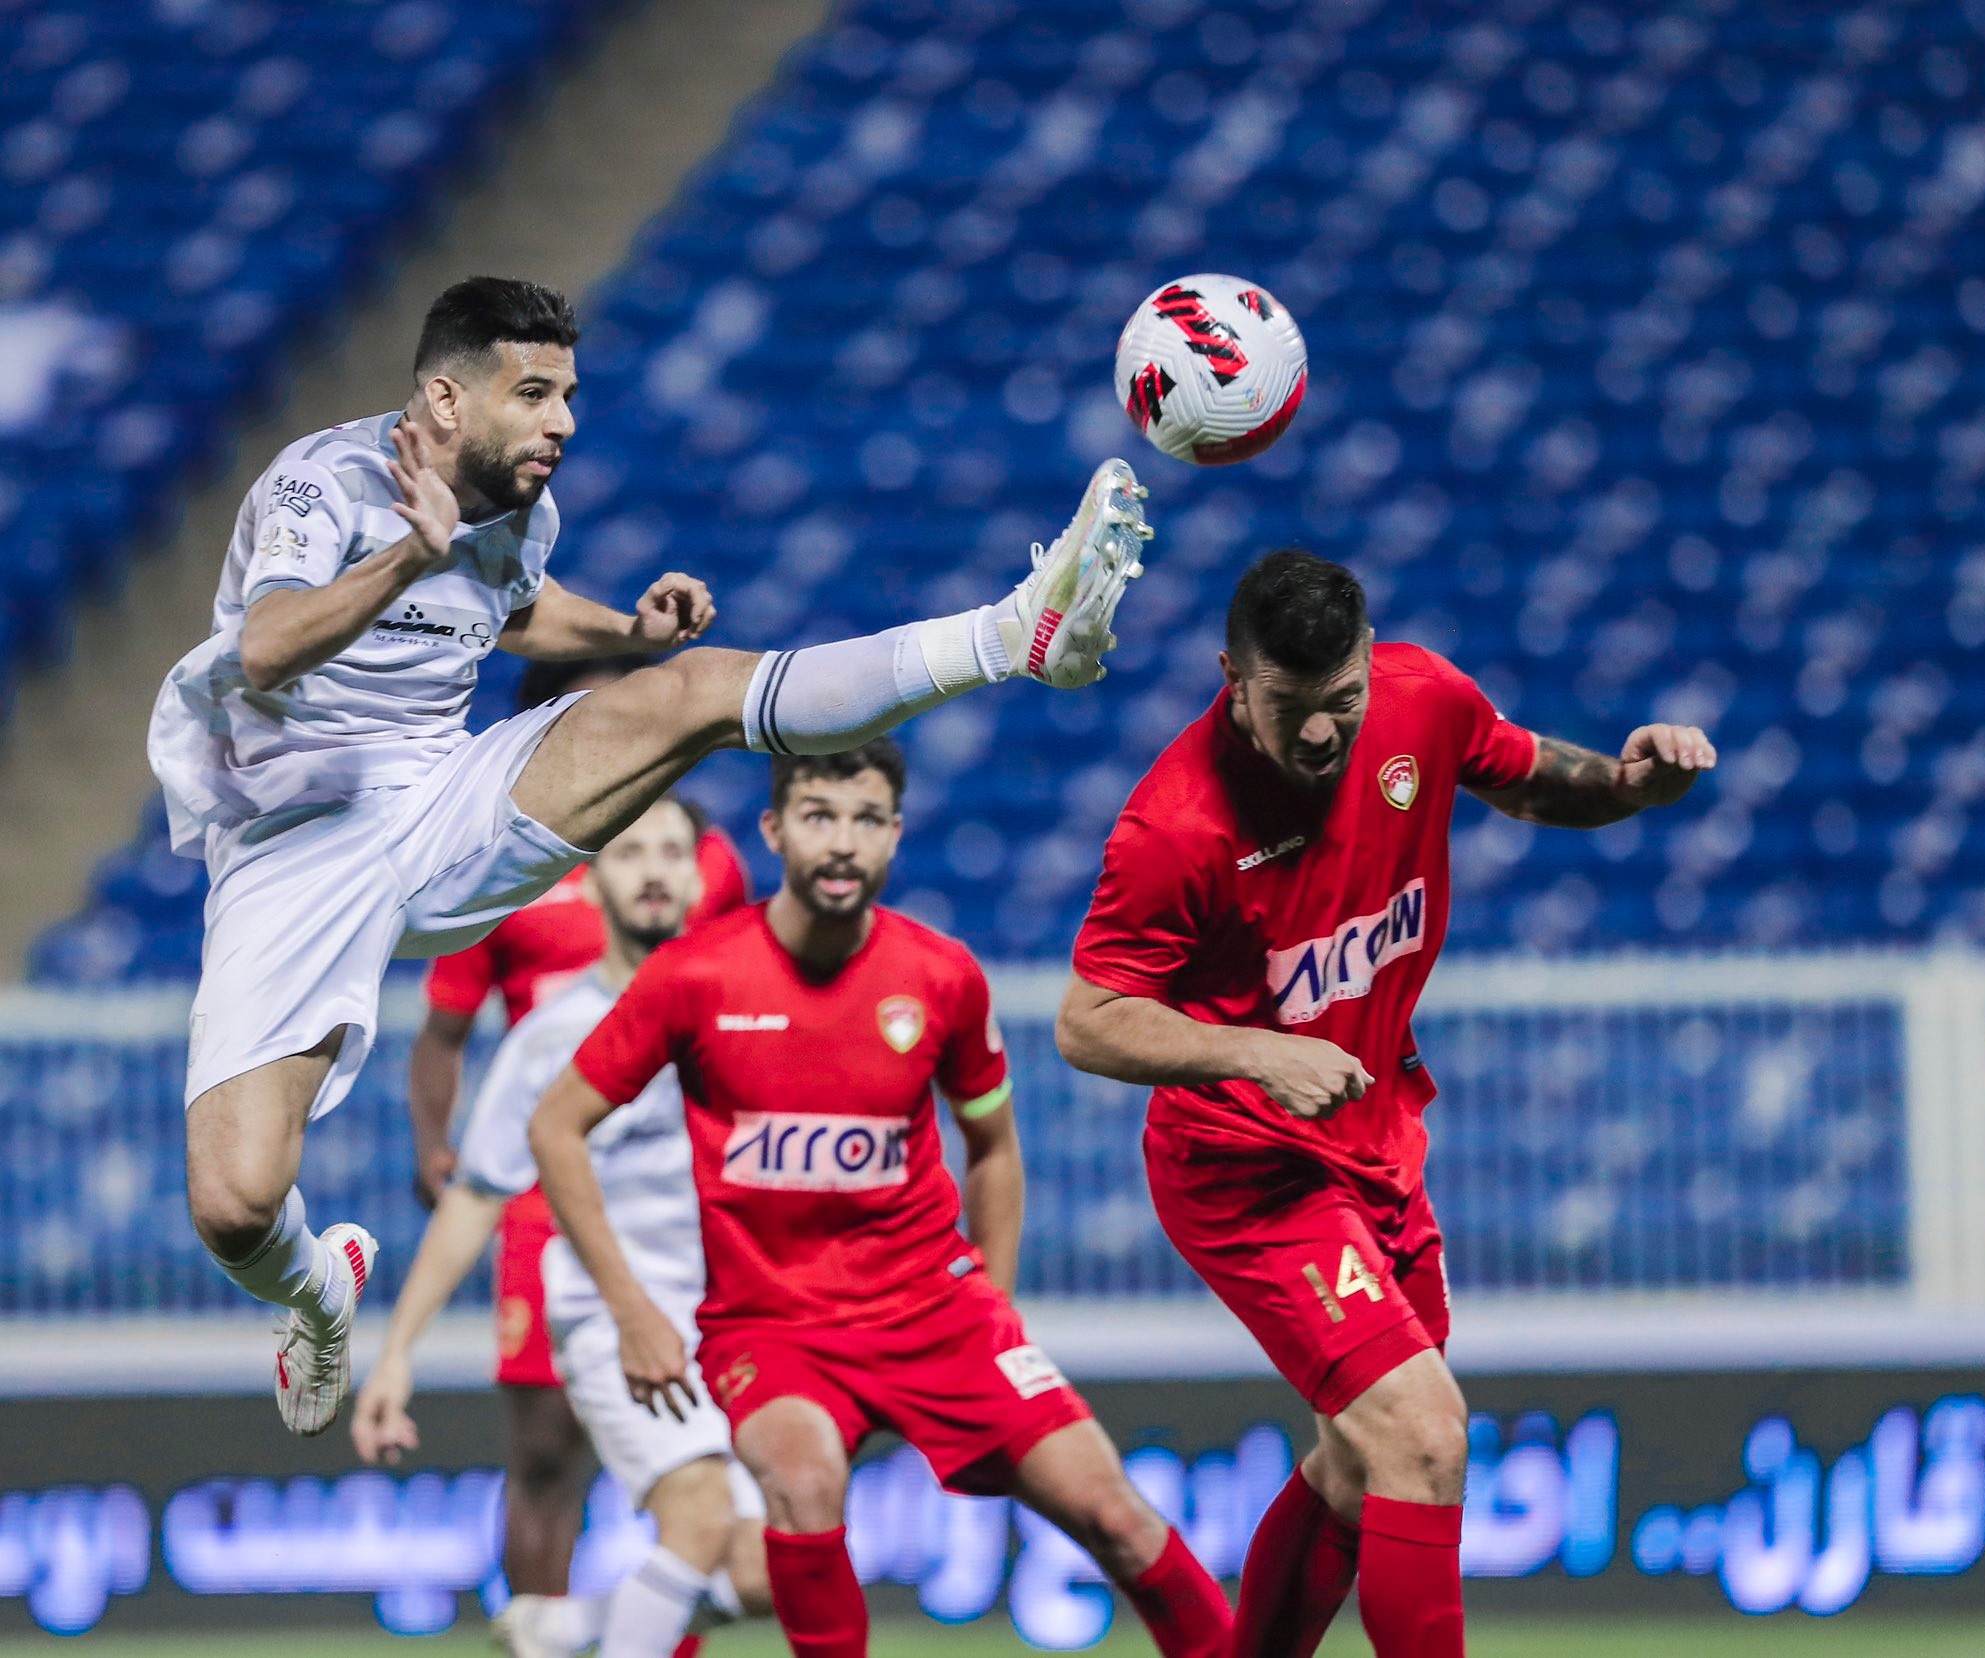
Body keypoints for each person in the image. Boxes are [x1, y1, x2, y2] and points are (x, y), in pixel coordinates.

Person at [147, 273, 1152, 1433]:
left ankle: (1014, 630)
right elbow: (264, 646)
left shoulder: (521, 504)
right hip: (292, 836)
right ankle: (319, 1292)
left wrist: (625, 634)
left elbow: (510, 611)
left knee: (688, 694)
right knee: (233, 1204)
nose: (562, 421)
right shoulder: (321, 483)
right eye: (532, 393)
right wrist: (404, 560)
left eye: (569, 394)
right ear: (441, 397)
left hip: (437, 793)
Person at [1055, 550, 1718, 1658]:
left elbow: (1525, 777)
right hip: (1245, 1168)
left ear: (1370, 660)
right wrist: (1251, 1052)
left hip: (1376, 1145)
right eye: (1289, 708)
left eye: (1342, 702)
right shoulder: (1174, 825)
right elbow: (1087, 1018)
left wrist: (1627, 784)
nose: (1321, 735)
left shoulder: (1423, 697)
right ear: (1230, 675)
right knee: (1421, 1434)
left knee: (1360, 1467)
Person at [528, 740, 1232, 1658]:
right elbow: (555, 1127)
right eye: (820, 817)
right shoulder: (696, 977)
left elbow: (993, 1149)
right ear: (776, 830)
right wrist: (632, 1314)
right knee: (804, 1482)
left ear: (895, 837)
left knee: (1119, 1518)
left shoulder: (940, 977)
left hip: (936, 1311)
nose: (843, 843)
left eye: (866, 821)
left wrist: (995, 1308)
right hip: (771, 1326)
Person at [353, 795, 770, 1658]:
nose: (653, 869)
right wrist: (396, 1355)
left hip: (732, 1322)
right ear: (591, 886)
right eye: (629, 853)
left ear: (702, 877)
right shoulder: (551, 1040)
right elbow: (476, 1196)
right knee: (695, 1516)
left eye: (670, 852)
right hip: (614, 1325)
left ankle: (570, 1628)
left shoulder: (743, 1018)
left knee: (772, 1571)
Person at [406, 654, 750, 1606]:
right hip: (542, 1186)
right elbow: (443, 1033)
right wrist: (437, 1147)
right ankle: (540, 1629)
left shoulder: (699, 856)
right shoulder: (499, 862)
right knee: (548, 1449)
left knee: (694, 1435)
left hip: (672, 1193)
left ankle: (656, 1617)